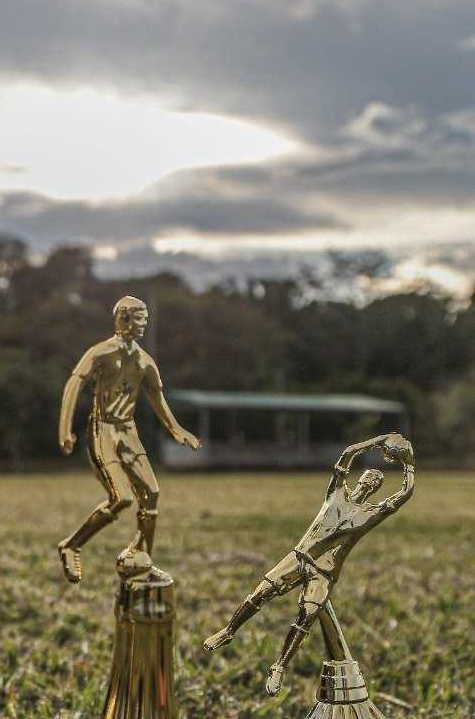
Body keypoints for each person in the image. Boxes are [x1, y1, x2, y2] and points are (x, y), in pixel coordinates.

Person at [204, 432, 414, 694]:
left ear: (376, 489)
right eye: (369, 476)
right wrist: (375, 441)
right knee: (261, 593)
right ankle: (228, 631)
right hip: (300, 556)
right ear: (360, 478)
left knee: (305, 618)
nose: (371, 481)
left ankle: (279, 666)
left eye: (376, 481)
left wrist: (409, 464)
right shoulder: (336, 493)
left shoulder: (369, 514)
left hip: (324, 572)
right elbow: (347, 454)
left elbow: (404, 494)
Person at [57, 295, 200, 581]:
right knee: (121, 497)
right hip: (103, 430)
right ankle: (71, 545)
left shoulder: (145, 362)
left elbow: (157, 396)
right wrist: (64, 428)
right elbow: (75, 382)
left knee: (152, 493)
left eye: (146, 319)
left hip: (128, 432)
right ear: (122, 318)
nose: (143, 324)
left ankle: (143, 555)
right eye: (138, 319)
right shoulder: (101, 352)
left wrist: (177, 429)